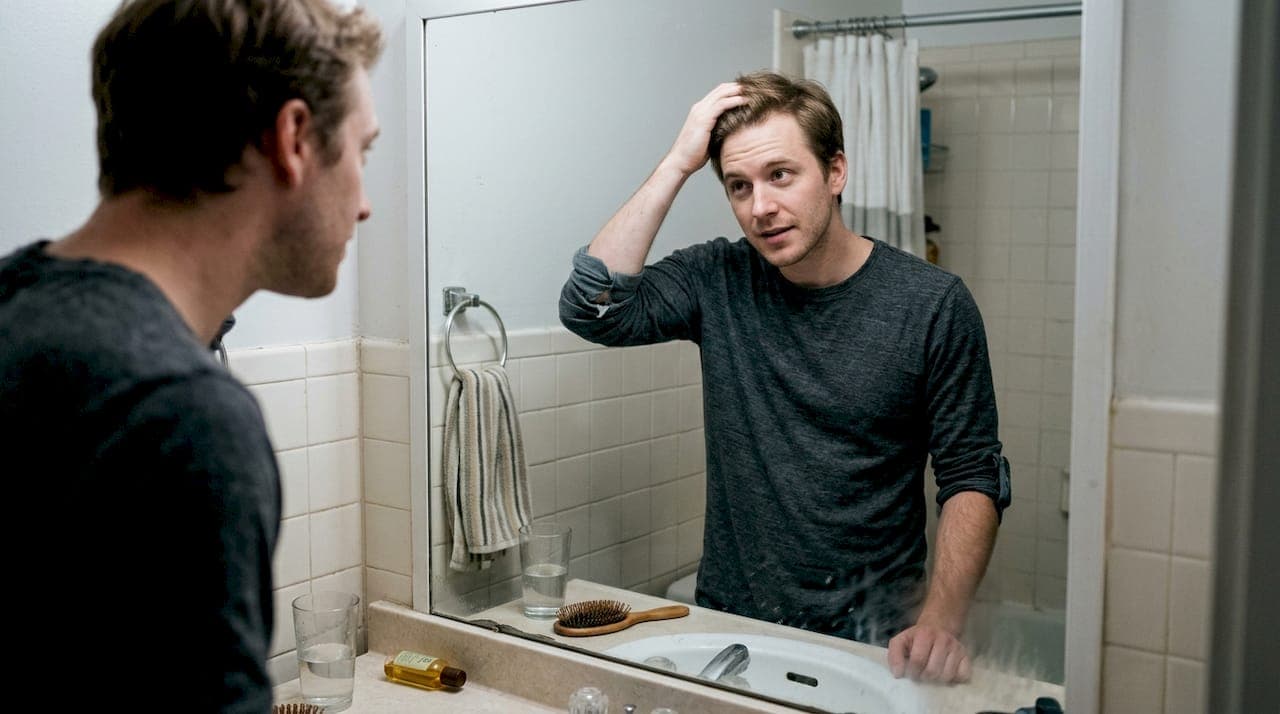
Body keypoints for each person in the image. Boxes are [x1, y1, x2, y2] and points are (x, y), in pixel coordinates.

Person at [559, 71, 1010, 685]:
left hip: (876, 642)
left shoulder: (931, 304)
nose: (760, 207)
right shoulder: (716, 277)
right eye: (739, 186)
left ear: (835, 172)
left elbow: (971, 473)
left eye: (781, 175)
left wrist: (941, 619)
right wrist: (677, 163)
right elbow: (593, 309)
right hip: (733, 630)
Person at [0, 1, 382, 710]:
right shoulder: (181, 414)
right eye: (365, 151)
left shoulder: (15, 306)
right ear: (293, 138)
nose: (365, 202)